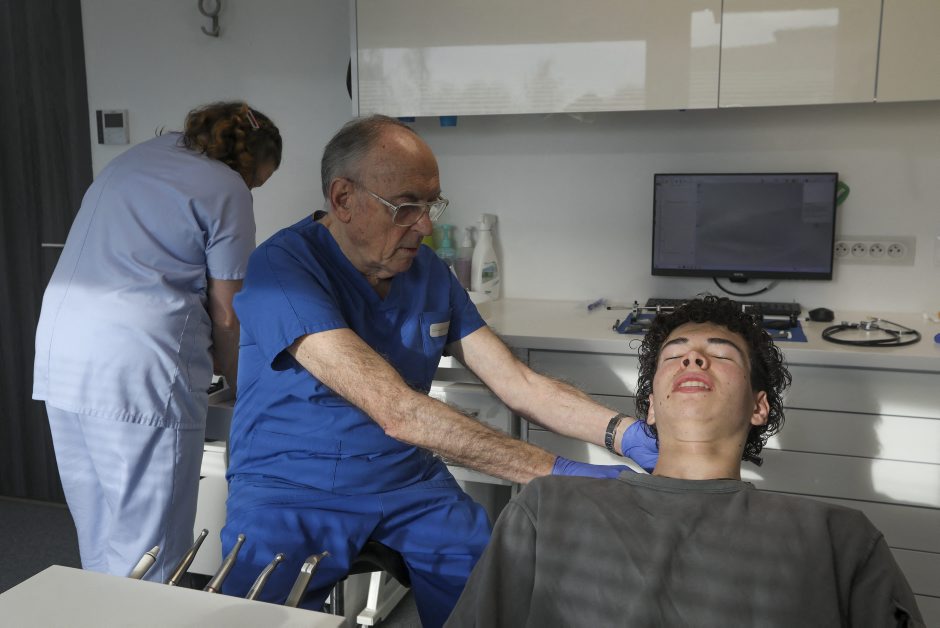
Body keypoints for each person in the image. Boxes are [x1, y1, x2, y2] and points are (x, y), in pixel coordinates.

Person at [219, 114, 657, 626]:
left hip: (408, 479)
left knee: (495, 593)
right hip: (290, 486)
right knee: (260, 615)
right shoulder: (283, 269)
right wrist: (557, 473)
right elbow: (397, 410)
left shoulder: (426, 272)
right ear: (342, 199)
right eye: (406, 207)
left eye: (431, 205)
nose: (425, 226)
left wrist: (623, 433)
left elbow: (517, 382)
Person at [446, 295, 925, 627]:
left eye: (722, 355)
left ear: (758, 406)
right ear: (651, 407)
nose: (694, 360)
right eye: (675, 356)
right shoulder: (545, 507)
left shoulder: (840, 538)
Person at [32, 102, 282, 583]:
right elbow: (229, 314)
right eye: (257, 181)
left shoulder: (134, 159)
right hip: (136, 364)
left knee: (99, 531)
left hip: (62, 353)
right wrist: (243, 387)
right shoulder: (226, 185)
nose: (251, 190)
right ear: (248, 163)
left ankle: (106, 613)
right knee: (152, 549)